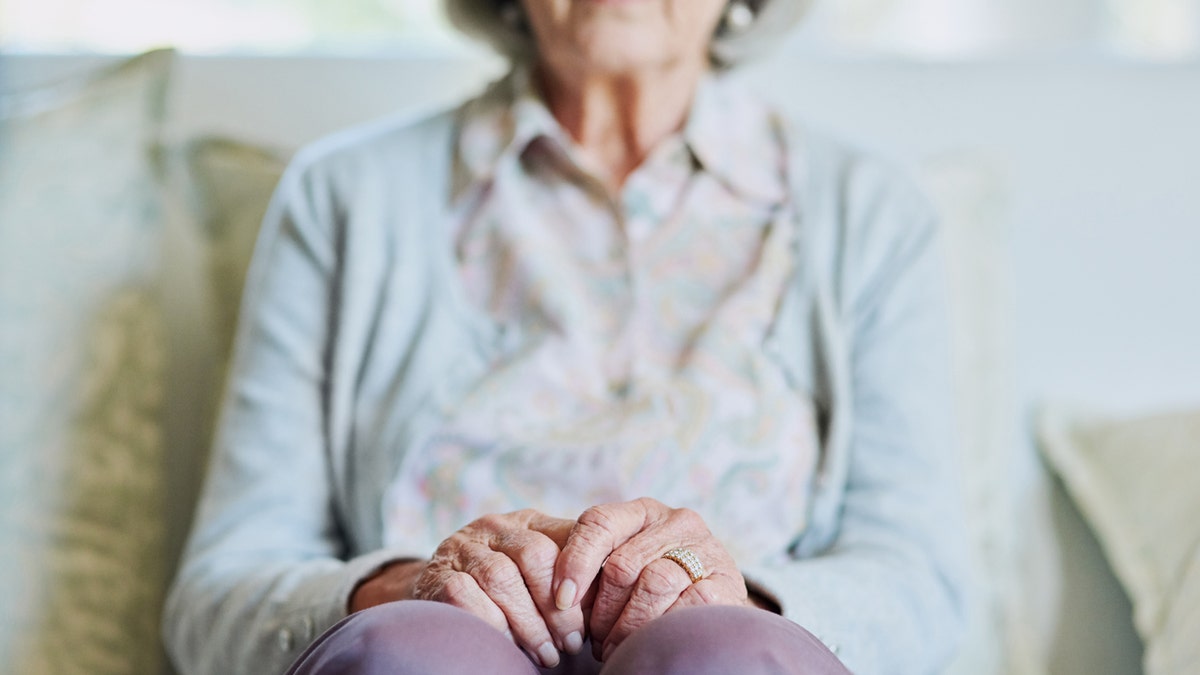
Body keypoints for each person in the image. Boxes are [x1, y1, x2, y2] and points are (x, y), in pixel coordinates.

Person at [163, 0, 968, 673]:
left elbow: (924, 589)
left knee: (726, 652)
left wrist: (738, 601)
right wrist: (407, 586)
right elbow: (216, 593)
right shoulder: (343, 198)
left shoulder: (868, 211)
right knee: (415, 649)